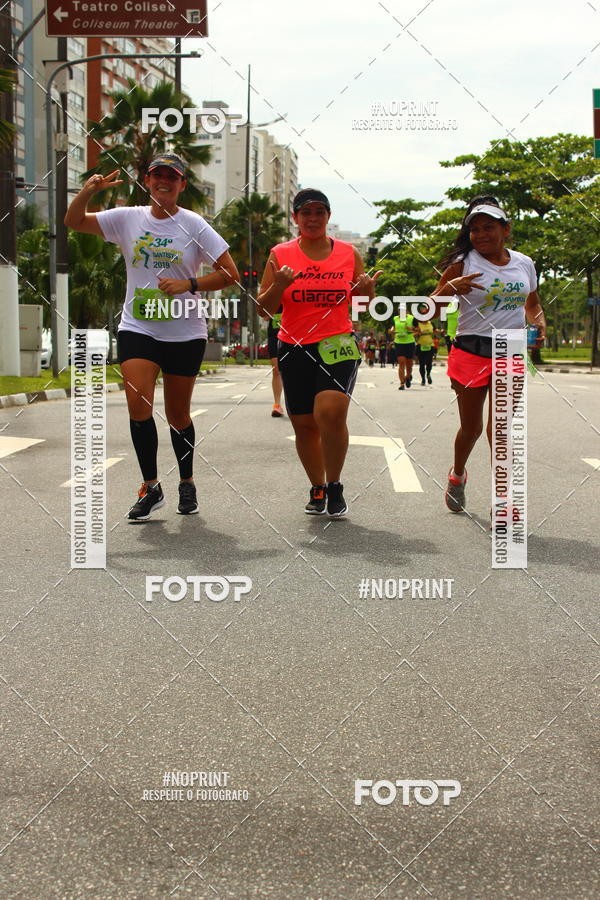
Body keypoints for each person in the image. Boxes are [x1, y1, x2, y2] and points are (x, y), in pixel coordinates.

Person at [64, 155, 239, 521]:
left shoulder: (194, 224)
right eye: (157, 176)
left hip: (185, 331)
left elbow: (229, 273)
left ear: (181, 185)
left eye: (171, 178)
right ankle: (151, 486)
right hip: (138, 328)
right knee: (137, 404)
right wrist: (89, 190)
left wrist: (188, 284)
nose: (164, 182)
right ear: (147, 180)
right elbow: (73, 221)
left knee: (177, 415)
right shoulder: (127, 218)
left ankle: (187, 481)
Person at [257, 188, 380, 518]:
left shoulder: (348, 253)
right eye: (305, 212)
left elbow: (363, 307)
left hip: (337, 343)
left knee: (331, 412)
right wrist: (280, 286)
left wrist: (367, 292)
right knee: (305, 426)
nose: (312, 218)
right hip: (294, 346)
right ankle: (317, 485)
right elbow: (263, 310)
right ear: (295, 218)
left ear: (328, 216)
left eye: (319, 212)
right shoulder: (279, 254)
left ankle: (335, 483)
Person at [431, 197, 545, 513]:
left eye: (489, 228)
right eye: (475, 229)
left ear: (505, 229)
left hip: (509, 350)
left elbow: (532, 304)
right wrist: (449, 288)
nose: (481, 235)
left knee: (501, 428)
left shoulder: (524, 263)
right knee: (472, 429)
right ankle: (457, 475)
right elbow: (429, 312)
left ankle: (504, 500)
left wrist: (538, 323)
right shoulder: (462, 264)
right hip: (470, 351)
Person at [388, 307, 415, 389]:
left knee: (409, 363)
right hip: (399, 342)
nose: (401, 312)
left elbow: (418, 329)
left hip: (410, 342)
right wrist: (391, 330)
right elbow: (392, 327)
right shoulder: (395, 319)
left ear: (406, 311)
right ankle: (402, 383)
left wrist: (412, 328)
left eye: (403, 310)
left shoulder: (411, 318)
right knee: (401, 362)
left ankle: (408, 376)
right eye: (399, 310)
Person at [266, 305, 284, 417]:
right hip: (275, 330)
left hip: (296, 329)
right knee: (276, 369)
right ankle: (277, 404)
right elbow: (263, 312)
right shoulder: (270, 286)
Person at [414, 302, 435, 385]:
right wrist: (418, 333)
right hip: (420, 345)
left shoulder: (431, 324)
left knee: (429, 363)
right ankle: (423, 378)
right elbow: (414, 333)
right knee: (422, 364)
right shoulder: (417, 324)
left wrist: (440, 332)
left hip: (430, 346)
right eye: (423, 314)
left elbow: (435, 331)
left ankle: (428, 374)